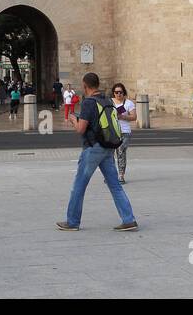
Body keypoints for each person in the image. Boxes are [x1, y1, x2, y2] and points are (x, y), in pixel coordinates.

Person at [57, 72, 138, 231]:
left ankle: (72, 221)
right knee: (115, 185)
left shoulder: (88, 103)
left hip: (93, 148)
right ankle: (128, 219)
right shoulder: (107, 100)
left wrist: (74, 119)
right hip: (107, 146)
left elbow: (81, 129)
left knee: (79, 185)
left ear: (85, 85)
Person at [111, 83, 137, 183]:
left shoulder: (128, 103)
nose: (118, 94)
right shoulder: (110, 102)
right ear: (113, 93)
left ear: (124, 92)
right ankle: (111, 175)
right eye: (116, 92)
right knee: (110, 154)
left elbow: (134, 117)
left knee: (121, 152)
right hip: (112, 131)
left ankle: (121, 175)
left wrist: (122, 116)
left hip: (124, 131)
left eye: (120, 92)